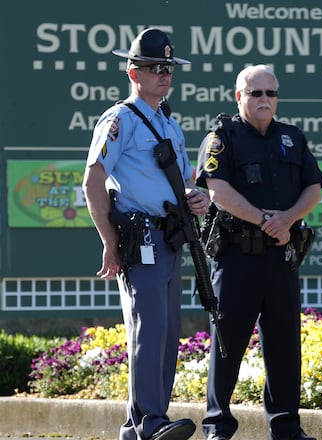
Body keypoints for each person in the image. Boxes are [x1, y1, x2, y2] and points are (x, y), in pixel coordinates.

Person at [82, 28, 209, 440]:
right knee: (148, 330)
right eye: (155, 68)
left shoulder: (169, 125)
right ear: (133, 72)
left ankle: (143, 425)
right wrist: (108, 240)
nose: (164, 74)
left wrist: (195, 197)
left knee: (167, 333)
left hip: (170, 235)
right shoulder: (119, 119)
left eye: (168, 68)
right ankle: (148, 421)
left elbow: (182, 182)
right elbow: (93, 179)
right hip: (141, 238)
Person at [196, 64, 322, 440]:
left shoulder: (291, 137)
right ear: (239, 97)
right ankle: (217, 427)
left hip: (281, 258)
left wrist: (286, 220)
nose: (265, 100)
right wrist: (264, 219)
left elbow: (314, 189)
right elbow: (217, 191)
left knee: (285, 345)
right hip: (237, 259)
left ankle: (286, 426)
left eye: (271, 93)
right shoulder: (223, 137)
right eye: (256, 94)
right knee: (227, 345)